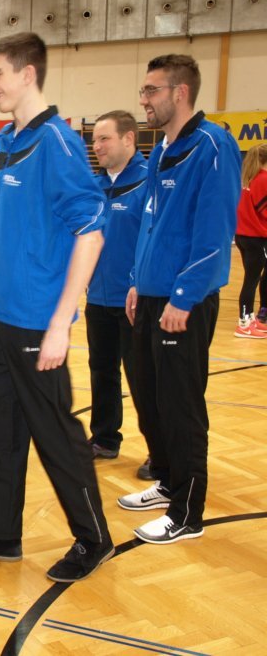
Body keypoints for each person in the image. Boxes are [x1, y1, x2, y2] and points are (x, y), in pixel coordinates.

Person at [0, 32, 113, 583]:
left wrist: (61, 322)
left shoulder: (56, 143)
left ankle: (94, 539)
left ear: (27, 74)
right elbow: (10, 226)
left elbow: (91, 232)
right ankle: (3, 534)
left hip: (36, 322)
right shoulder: (9, 140)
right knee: (0, 433)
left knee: (55, 435)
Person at [119, 55, 241, 544]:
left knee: (181, 404)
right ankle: (169, 482)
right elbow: (150, 224)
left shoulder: (213, 146)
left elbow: (215, 235)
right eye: (143, 90)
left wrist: (184, 297)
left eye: (151, 90)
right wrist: (136, 280)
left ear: (180, 92)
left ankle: (188, 513)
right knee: (151, 398)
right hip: (150, 297)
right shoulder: (162, 150)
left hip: (181, 303)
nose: (144, 100)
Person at [84, 111, 148, 460]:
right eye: (94, 140)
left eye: (104, 138)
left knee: (144, 378)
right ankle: (105, 438)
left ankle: (160, 452)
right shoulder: (93, 188)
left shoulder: (149, 182)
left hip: (137, 302)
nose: (96, 146)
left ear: (128, 139)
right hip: (98, 298)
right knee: (102, 371)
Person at [233, 143, 267, 338]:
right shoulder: (263, 179)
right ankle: (244, 323)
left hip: (243, 236)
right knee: (251, 281)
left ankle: (250, 319)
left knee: (250, 279)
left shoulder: (249, 178)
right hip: (256, 238)